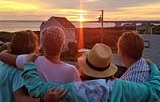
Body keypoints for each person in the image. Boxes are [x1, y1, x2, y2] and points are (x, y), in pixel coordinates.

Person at [22, 43, 160, 102]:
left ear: (84, 68)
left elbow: (37, 88)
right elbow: (154, 90)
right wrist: (153, 67)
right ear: (108, 68)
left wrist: (28, 63)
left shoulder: (73, 90)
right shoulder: (123, 87)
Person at [0, 17, 81, 83]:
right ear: (63, 47)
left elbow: (3, 56)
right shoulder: (72, 70)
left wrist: (6, 49)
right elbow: (80, 92)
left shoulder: (31, 60)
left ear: (41, 46)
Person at [0, 31, 66, 102]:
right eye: (36, 44)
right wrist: (43, 100)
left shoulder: (2, 63)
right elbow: (19, 98)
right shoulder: (21, 70)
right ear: (32, 47)